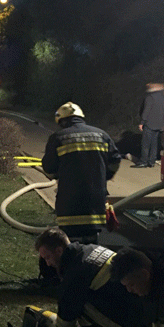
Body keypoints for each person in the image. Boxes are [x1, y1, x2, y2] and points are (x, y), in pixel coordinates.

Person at [34, 228, 145, 327]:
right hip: (143, 308)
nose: (47, 264)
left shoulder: (74, 276)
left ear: (59, 251)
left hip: (134, 325)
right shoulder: (91, 249)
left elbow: (65, 324)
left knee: (82, 306)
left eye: (47, 257)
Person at [42, 102, 122, 243]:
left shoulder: (58, 138)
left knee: (70, 243)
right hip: (96, 201)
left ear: (63, 121)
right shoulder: (102, 135)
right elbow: (115, 160)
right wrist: (104, 176)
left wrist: (59, 175)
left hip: (69, 202)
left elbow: (48, 167)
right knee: (92, 244)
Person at [135, 83, 164, 168]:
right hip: (159, 124)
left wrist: (142, 122)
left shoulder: (150, 97)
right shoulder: (163, 97)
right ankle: (152, 161)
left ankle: (144, 161)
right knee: (154, 144)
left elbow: (146, 110)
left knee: (146, 144)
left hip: (149, 123)